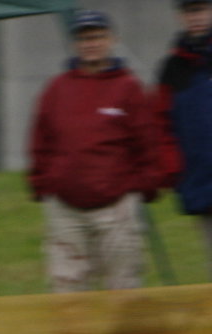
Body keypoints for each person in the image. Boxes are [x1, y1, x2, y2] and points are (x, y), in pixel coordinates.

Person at [29, 11, 162, 292]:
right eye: (83, 38)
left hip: (116, 209)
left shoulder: (128, 87)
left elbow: (146, 143)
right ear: (75, 44)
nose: (90, 43)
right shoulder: (57, 88)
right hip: (66, 210)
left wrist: (143, 188)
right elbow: (41, 139)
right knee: (68, 295)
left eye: (97, 37)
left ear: (112, 40)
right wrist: (42, 183)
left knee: (124, 291)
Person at [157, 0, 212, 269]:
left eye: (201, 9)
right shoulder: (172, 68)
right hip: (202, 182)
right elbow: (162, 124)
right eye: (190, 11)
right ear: (181, 17)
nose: (196, 17)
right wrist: (173, 170)